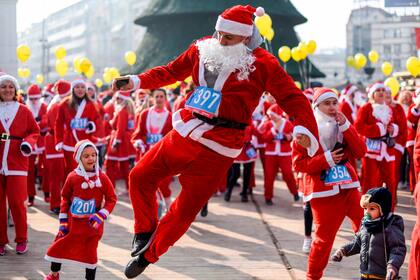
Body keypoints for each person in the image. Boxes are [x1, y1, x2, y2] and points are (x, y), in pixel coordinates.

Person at [118, 5, 319, 278]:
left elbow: (292, 98)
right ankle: (143, 231)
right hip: (186, 129)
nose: (220, 40)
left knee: (185, 208)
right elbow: (170, 72)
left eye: (228, 37)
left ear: (246, 37)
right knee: (139, 176)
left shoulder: (264, 63)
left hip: (221, 145)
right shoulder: (202, 48)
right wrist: (137, 80)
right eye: (219, 33)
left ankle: (148, 256)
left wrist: (304, 128)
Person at [292, 88, 366, 280]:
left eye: (335, 102)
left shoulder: (343, 125)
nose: (332, 107)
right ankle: (312, 276)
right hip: (322, 193)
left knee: (369, 229)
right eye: (327, 103)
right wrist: (326, 159)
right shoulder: (306, 130)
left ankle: (371, 272)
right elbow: (298, 164)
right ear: (317, 106)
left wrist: (347, 127)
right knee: (324, 241)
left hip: (349, 187)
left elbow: (360, 152)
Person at [44, 140, 117, 280]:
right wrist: (63, 222)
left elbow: (112, 198)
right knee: (59, 245)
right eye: (86, 156)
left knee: (90, 254)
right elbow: (65, 197)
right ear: (79, 158)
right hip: (72, 224)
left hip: (92, 226)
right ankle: (54, 274)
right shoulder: (72, 177)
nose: (91, 158)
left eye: (93, 155)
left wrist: (101, 214)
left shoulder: (102, 177)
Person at [0, 74, 40, 255]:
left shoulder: (23, 110)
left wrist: (28, 144)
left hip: (17, 160)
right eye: (3, 86)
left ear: (15, 90)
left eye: (10, 86)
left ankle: (21, 239)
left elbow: (34, 131)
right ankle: (1, 241)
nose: (7, 89)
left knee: (17, 203)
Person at [332, 187, 406, 280]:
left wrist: (392, 267)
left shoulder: (390, 227)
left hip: (383, 276)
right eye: (365, 208)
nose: (367, 212)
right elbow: (357, 243)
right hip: (365, 274)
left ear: (383, 210)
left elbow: (398, 249)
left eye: (372, 209)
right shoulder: (366, 225)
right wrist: (343, 250)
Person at [355, 82, 399, 208]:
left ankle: (389, 210)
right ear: (372, 94)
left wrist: (393, 129)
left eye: (383, 90)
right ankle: (367, 209)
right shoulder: (366, 108)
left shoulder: (390, 108)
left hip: (387, 150)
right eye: (378, 90)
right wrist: (378, 128)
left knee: (391, 180)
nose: (381, 92)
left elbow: (397, 126)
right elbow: (358, 127)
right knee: (370, 180)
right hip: (371, 150)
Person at [55, 79, 102, 176]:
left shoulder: (91, 104)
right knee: (71, 171)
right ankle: (71, 191)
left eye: (82, 87)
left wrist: (92, 126)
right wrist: (59, 141)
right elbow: (58, 123)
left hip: (86, 141)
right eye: (77, 87)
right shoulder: (64, 104)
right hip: (70, 142)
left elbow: (98, 121)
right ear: (73, 89)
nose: (80, 89)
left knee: (87, 171)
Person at [260, 104, 298, 204]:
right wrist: (273, 130)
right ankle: (268, 197)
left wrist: (289, 137)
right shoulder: (268, 124)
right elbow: (264, 138)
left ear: (277, 114)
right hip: (270, 153)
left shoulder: (287, 123)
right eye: (269, 115)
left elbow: (294, 135)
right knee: (269, 175)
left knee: (288, 174)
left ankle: (295, 192)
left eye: (272, 114)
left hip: (284, 153)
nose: (270, 117)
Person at [43, 80, 70, 214]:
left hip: (56, 143)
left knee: (59, 176)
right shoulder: (59, 106)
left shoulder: (55, 105)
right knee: (58, 177)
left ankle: (60, 203)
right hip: (57, 143)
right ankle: (56, 204)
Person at [104, 90, 136, 191]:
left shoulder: (122, 111)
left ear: (123, 99)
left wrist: (115, 143)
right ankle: (129, 188)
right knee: (124, 166)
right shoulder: (127, 109)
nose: (115, 100)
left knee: (109, 165)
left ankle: (111, 189)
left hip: (119, 140)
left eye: (118, 98)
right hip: (124, 140)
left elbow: (120, 128)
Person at [25, 84, 48, 206]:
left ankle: (47, 193)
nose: (34, 101)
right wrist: (38, 123)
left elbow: (47, 122)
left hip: (43, 142)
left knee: (46, 169)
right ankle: (30, 196)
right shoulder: (25, 108)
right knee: (29, 171)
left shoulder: (44, 106)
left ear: (39, 97)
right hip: (30, 143)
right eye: (31, 98)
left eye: (36, 98)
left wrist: (37, 123)